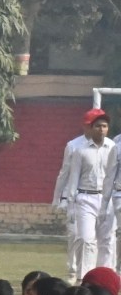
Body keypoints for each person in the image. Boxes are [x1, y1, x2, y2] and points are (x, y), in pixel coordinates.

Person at [52, 108, 119, 279]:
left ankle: (105, 278)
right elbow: (69, 176)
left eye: (104, 126)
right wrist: (65, 201)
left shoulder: (113, 147)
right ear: (89, 127)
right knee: (85, 239)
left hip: (106, 198)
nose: (101, 129)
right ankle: (84, 277)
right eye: (97, 126)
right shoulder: (78, 149)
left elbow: (113, 175)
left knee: (107, 240)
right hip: (85, 197)